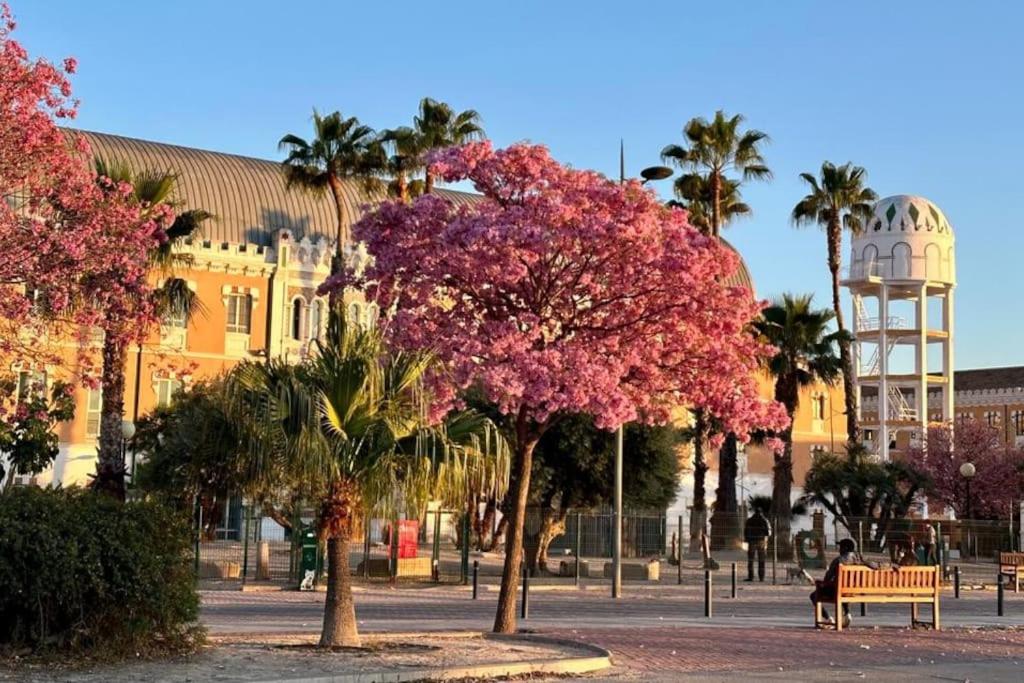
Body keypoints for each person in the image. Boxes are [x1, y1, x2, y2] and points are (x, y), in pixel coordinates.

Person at [810, 538, 858, 627]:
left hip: (838, 591)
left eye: (840, 547)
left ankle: (827, 618)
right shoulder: (858, 559)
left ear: (845, 548)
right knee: (843, 589)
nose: (839, 549)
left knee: (813, 596)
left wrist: (820, 583)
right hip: (854, 591)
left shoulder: (838, 560)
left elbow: (827, 578)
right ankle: (847, 614)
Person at [743, 509, 772, 582]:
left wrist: (747, 539)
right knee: (761, 560)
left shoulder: (749, 520)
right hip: (761, 541)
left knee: (751, 560)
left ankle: (751, 577)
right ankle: (761, 577)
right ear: (761, 513)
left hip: (752, 541)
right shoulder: (764, 520)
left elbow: (746, 531)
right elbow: (767, 533)